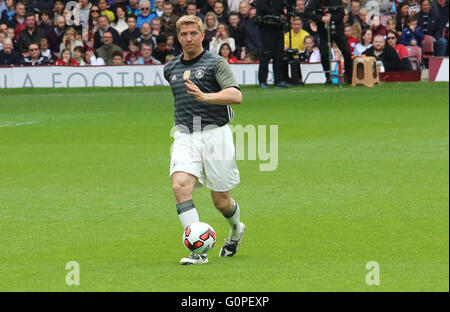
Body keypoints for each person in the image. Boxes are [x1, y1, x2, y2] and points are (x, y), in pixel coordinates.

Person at [163, 15, 244, 265]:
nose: (188, 38)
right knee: (180, 186)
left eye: (193, 34)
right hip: (185, 136)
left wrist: (205, 97)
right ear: (178, 37)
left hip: (216, 135)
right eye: (184, 34)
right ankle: (198, 251)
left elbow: (236, 96)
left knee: (221, 201)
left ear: (202, 35)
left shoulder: (216, 63)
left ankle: (236, 230)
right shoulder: (170, 69)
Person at [305, 0, 353, 84]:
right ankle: (328, 77)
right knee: (324, 53)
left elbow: (341, 14)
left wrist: (331, 18)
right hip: (323, 30)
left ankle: (349, 76)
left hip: (337, 29)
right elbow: (308, 12)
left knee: (347, 51)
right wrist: (321, 18)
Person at [257, 0, 291, 88]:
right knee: (267, 54)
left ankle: (279, 80)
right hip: (266, 28)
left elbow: (284, 8)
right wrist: (274, 14)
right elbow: (262, 8)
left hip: (278, 27)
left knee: (279, 55)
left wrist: (284, 14)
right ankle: (262, 80)